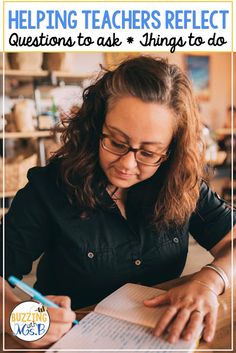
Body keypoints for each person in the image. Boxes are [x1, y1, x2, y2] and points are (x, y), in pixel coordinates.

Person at [0, 56, 235, 348]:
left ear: (171, 151)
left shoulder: (181, 184)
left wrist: (209, 281)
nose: (126, 163)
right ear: (96, 124)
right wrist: (12, 314)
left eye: (148, 153)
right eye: (116, 142)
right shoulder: (49, 189)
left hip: (159, 338)